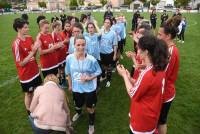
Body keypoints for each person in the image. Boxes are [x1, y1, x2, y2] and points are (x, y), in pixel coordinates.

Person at [117, 35, 169, 134]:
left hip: (142, 121)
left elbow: (133, 94)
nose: (137, 48)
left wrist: (124, 75)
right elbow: (144, 86)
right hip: (151, 115)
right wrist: (130, 78)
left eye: (139, 47)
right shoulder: (158, 68)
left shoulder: (148, 73)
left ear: (146, 52)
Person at [65, 34, 102, 134]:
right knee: (78, 105)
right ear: (74, 45)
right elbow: (68, 72)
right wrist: (70, 85)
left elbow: (99, 71)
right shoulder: (69, 58)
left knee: (90, 108)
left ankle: (91, 124)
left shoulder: (91, 59)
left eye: (83, 45)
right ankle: (79, 113)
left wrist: (89, 78)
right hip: (76, 88)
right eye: (78, 45)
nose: (81, 47)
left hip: (89, 89)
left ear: (86, 45)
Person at [12, 18, 42, 114]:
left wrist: (36, 48)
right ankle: (29, 112)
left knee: (37, 90)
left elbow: (33, 54)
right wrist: (33, 51)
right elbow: (20, 63)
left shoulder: (29, 38)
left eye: (27, 27)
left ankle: (37, 106)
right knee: (29, 94)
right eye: (25, 27)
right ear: (18, 29)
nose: (28, 29)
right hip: (26, 75)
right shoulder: (16, 44)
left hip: (35, 71)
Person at [157, 16, 181, 134]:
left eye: (160, 34)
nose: (157, 37)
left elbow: (163, 76)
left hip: (165, 93)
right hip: (162, 91)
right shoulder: (166, 48)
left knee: (161, 121)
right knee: (158, 120)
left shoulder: (171, 51)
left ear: (168, 36)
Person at [99, 17, 118, 87]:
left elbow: (115, 45)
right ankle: (103, 76)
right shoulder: (100, 31)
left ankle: (108, 80)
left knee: (109, 68)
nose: (106, 24)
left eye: (108, 23)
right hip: (101, 53)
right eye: (105, 22)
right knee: (102, 66)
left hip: (109, 54)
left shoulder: (113, 33)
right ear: (103, 23)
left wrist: (115, 54)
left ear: (111, 24)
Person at [51, 21, 67, 86]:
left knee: (62, 69)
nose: (61, 27)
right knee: (59, 70)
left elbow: (60, 43)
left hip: (62, 55)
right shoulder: (53, 34)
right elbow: (54, 46)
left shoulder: (59, 33)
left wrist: (62, 43)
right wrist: (63, 42)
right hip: (58, 56)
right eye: (59, 26)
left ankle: (63, 81)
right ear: (56, 26)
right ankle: (60, 82)